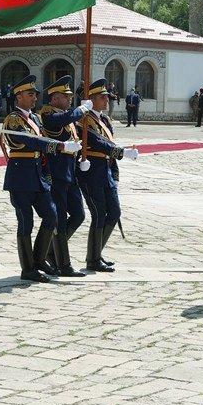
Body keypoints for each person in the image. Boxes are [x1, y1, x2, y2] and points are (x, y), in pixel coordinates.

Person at [0, 75, 79, 282]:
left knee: (51, 216)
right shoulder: (13, 119)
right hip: (20, 177)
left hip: (38, 176)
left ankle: (39, 259)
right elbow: (30, 141)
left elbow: (43, 138)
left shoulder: (34, 118)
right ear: (18, 97)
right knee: (25, 223)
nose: (35, 97)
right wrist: (59, 146)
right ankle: (28, 269)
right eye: (30, 94)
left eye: (35, 94)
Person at [76, 79, 138, 272]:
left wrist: (115, 176)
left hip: (106, 172)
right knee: (99, 214)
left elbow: (108, 148)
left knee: (114, 212)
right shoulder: (83, 120)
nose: (107, 100)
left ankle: (96, 253)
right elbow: (98, 143)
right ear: (92, 99)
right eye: (103, 97)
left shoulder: (104, 120)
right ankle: (93, 259)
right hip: (91, 173)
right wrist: (122, 152)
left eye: (107, 97)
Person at [37, 76, 91, 278]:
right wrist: (81, 110)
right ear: (54, 99)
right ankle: (64, 264)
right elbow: (63, 120)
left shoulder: (67, 116)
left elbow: (76, 135)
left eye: (69, 96)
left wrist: (82, 160)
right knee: (59, 220)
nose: (69, 100)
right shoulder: (49, 114)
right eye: (65, 97)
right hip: (56, 175)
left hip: (70, 174)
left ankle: (52, 251)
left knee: (78, 215)